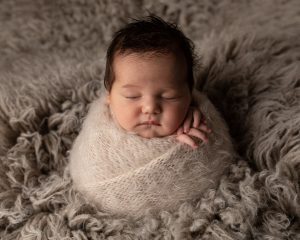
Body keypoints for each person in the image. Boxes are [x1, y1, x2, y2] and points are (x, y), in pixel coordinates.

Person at [104, 15, 211, 148]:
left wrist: (200, 124)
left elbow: (221, 149)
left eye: (169, 97)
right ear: (109, 96)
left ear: (189, 96)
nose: (150, 108)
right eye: (132, 96)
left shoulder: (195, 118)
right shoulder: (100, 132)